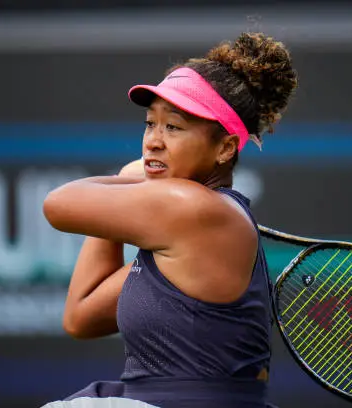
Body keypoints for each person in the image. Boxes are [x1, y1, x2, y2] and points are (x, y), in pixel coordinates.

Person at [42, 32, 298, 408]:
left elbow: (57, 204)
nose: (153, 141)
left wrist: (130, 179)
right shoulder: (187, 222)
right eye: (150, 124)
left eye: (173, 127)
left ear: (226, 147)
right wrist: (128, 197)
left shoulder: (192, 208)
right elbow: (81, 316)